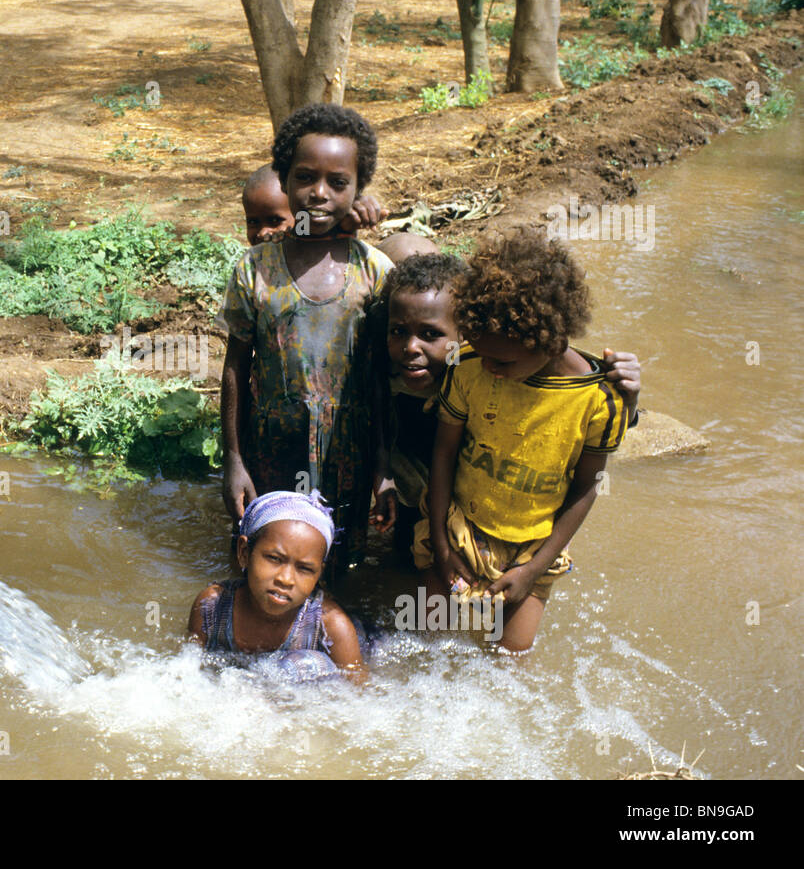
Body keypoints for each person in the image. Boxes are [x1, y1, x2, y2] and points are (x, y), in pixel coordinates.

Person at [416, 227, 632, 651]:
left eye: (504, 360)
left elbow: (588, 486)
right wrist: (442, 546)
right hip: (459, 527)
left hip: (532, 546)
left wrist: (534, 570)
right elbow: (442, 454)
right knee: (427, 640)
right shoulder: (470, 368)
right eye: (482, 352)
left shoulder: (598, 401)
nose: (491, 368)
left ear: (550, 340)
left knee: (511, 659)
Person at [220, 104, 394, 571]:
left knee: (340, 569)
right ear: (283, 178)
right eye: (304, 178)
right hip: (271, 451)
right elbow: (235, 366)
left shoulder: (374, 271)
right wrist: (233, 460)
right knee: (264, 564)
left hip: (350, 456)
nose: (319, 194)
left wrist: (383, 467)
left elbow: (383, 376)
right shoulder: (256, 269)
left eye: (338, 183)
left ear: (358, 189)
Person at [377, 251, 642, 559]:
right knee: (409, 548)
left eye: (431, 334)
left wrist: (630, 401)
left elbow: (573, 400)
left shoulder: (499, 352)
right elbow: (381, 412)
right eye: (398, 332)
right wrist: (384, 476)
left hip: (500, 485)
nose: (411, 347)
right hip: (430, 459)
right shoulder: (424, 361)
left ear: (464, 332)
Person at [189, 491, 366, 679]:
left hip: (347, 648)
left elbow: (358, 693)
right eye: (274, 559)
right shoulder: (212, 607)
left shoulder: (331, 627)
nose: (286, 579)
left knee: (304, 666)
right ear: (244, 553)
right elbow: (187, 671)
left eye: (305, 569)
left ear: (319, 573)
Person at [242, 164, 386, 247]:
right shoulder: (251, 269)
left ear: (300, 213)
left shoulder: (321, 250)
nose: (262, 232)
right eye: (253, 222)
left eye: (275, 221)